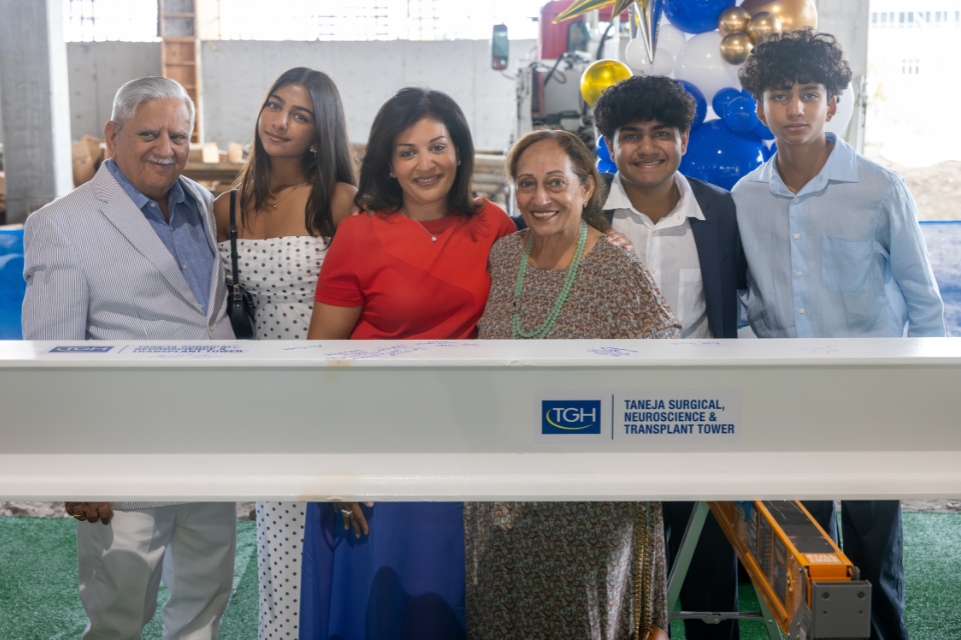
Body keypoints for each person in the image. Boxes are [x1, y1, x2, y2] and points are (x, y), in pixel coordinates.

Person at [735, 30, 945, 640]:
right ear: (760, 105)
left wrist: (923, 396)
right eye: (780, 94)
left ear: (833, 104)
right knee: (802, 551)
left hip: (869, 399)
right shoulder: (746, 198)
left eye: (809, 94)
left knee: (874, 552)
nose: (794, 108)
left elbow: (924, 304)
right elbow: (745, 299)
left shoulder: (880, 190)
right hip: (788, 400)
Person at [21, 76, 236, 639]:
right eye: (149, 133)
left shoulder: (202, 205)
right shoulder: (61, 223)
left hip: (210, 449)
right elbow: (53, 357)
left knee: (206, 603)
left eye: (179, 135)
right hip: (124, 461)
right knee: (119, 614)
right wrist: (76, 467)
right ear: (112, 136)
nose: (167, 148)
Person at [299, 87, 518, 640]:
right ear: (388, 165)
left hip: (464, 445)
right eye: (407, 151)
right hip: (373, 448)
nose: (426, 164)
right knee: (379, 609)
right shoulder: (359, 233)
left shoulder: (495, 227)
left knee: (451, 604)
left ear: (461, 151)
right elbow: (322, 360)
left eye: (437, 146)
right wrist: (334, 467)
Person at [468, 128, 682, 638]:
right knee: (502, 616)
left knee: (578, 621)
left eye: (556, 183)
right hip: (500, 485)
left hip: (587, 496)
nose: (540, 199)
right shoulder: (503, 256)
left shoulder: (614, 265)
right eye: (526, 184)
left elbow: (664, 361)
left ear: (587, 189)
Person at [592, 75, 745, 640]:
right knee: (614, 562)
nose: (646, 147)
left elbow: (742, 300)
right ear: (608, 143)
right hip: (607, 414)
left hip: (699, 412)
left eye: (662, 133)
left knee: (706, 560)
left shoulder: (721, 209)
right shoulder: (584, 212)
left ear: (685, 138)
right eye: (629, 135)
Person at [213, 67, 356, 640]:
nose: (281, 122)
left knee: (338, 535)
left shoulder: (342, 204)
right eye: (275, 106)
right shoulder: (223, 208)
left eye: (300, 115)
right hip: (266, 395)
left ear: (321, 131)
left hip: (334, 387)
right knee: (279, 538)